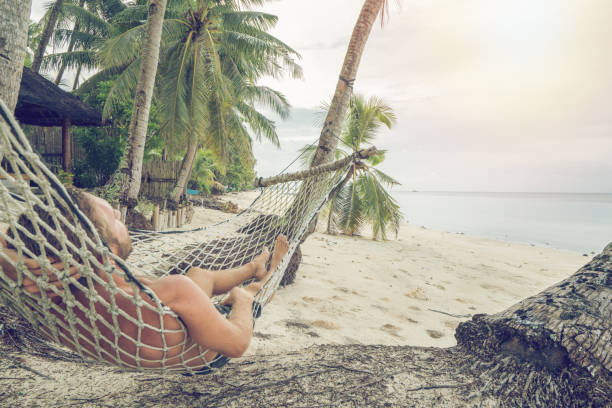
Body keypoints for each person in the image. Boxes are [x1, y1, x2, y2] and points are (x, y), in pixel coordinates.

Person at [0, 188, 289, 371]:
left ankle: (253, 267)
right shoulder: (172, 291)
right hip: (207, 352)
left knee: (199, 275)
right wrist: (242, 299)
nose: (120, 215)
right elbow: (237, 345)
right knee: (242, 295)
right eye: (113, 217)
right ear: (101, 245)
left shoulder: (46, 294)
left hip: (155, 335)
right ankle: (260, 281)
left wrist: (11, 259)